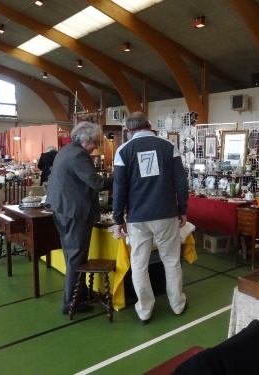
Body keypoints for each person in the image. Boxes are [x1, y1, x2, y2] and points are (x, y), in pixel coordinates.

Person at [113, 112, 188, 325]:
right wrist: (183, 209)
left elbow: (119, 188)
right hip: (166, 213)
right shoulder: (169, 147)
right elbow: (181, 184)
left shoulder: (123, 151)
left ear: (129, 131)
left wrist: (118, 219)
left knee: (139, 263)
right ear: (150, 125)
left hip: (137, 217)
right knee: (172, 261)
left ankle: (145, 310)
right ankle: (177, 304)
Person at [45, 122, 113, 314]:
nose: (96, 146)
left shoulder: (66, 150)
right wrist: (122, 177)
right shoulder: (78, 155)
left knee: (71, 255)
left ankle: (79, 295)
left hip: (63, 209)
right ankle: (70, 303)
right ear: (86, 140)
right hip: (74, 212)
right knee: (76, 257)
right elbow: (97, 183)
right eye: (95, 142)